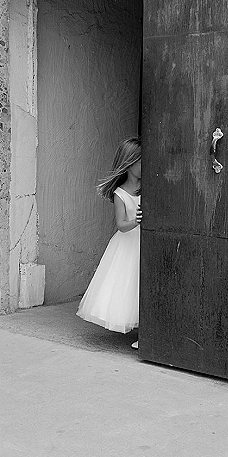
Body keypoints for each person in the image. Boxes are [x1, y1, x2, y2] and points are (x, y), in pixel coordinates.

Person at [77, 137, 142, 348]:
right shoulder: (120, 194)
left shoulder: (150, 185)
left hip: (145, 240)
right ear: (129, 163)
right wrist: (136, 221)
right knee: (130, 285)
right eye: (140, 161)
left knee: (143, 284)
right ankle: (142, 333)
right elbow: (121, 225)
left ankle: (148, 333)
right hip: (129, 244)